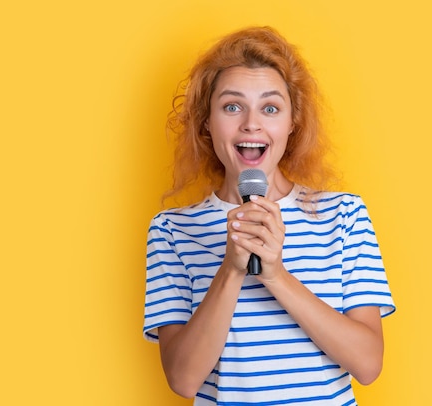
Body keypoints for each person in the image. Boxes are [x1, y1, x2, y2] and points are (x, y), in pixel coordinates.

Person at [143, 26, 395, 405]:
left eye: (270, 107)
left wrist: (276, 274)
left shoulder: (343, 215)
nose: (251, 123)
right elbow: (182, 379)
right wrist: (231, 268)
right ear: (206, 123)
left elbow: (368, 364)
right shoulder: (173, 230)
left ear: (292, 124)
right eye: (232, 106)